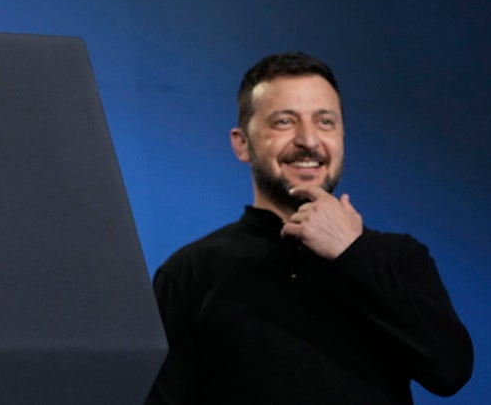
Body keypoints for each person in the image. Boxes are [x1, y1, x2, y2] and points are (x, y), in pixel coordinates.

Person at [146, 52, 473, 404]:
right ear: (242, 143)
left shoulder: (399, 256)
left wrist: (352, 252)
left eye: (325, 122)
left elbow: (450, 371)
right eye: (285, 122)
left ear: (343, 136)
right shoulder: (189, 273)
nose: (309, 141)